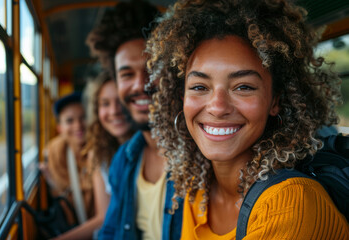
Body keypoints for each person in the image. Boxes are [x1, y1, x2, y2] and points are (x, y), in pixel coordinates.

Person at [146, 0, 349, 239]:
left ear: (275, 101)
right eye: (200, 86)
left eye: (243, 87)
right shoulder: (188, 188)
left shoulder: (290, 203)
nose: (218, 107)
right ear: (182, 98)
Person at [87, 1, 183, 239]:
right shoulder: (124, 161)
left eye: (153, 69)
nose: (141, 85)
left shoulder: (201, 157)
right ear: (116, 83)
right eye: (127, 74)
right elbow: (110, 231)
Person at [54, 72, 134, 240]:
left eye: (120, 101)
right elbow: (104, 216)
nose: (114, 111)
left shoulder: (152, 148)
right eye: (105, 104)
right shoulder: (98, 154)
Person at [40, 92, 94, 226]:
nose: (78, 126)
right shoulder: (55, 153)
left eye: (83, 118)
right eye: (69, 121)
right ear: (59, 128)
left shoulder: (101, 151)